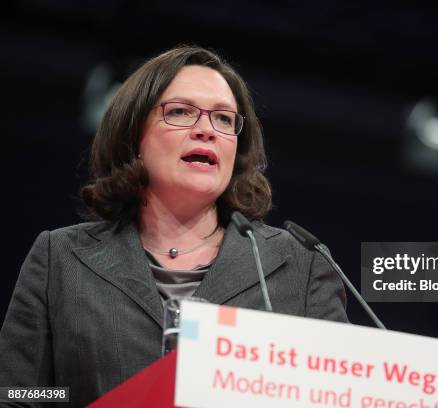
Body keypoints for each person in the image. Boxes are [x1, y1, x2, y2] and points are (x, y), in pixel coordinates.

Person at [0, 45, 348, 407]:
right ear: (133, 137)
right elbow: (18, 394)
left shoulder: (300, 266)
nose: (206, 130)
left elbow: (334, 397)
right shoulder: (61, 258)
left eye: (224, 119)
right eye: (181, 112)